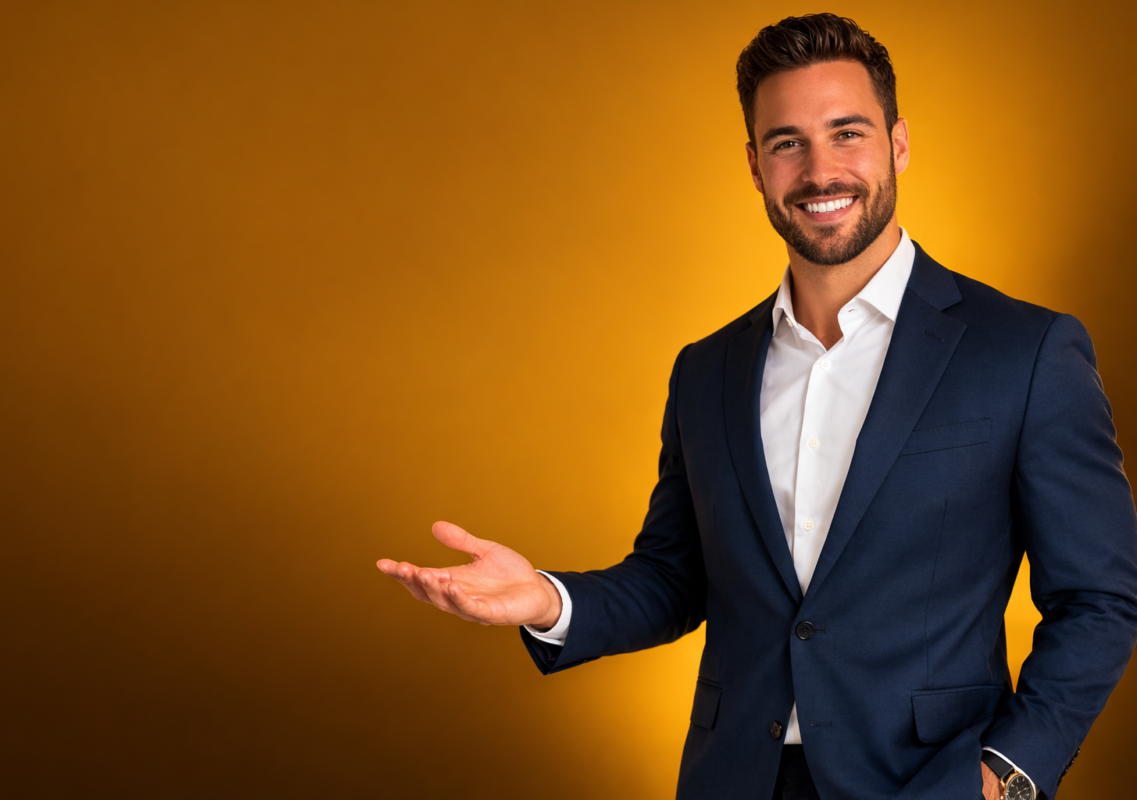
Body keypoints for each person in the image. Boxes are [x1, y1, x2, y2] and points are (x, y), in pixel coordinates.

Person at [376, 13, 1137, 800]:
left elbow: (1099, 600)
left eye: (848, 134)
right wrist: (548, 598)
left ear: (898, 143)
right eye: (787, 143)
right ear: (754, 165)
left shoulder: (1025, 351)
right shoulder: (707, 371)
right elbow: (677, 579)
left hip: (930, 781)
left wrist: (1003, 778)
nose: (819, 171)